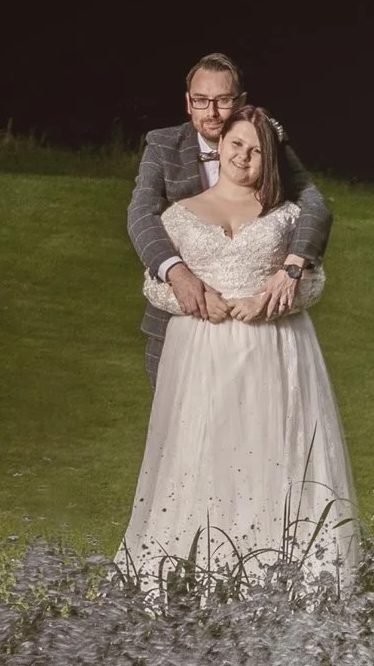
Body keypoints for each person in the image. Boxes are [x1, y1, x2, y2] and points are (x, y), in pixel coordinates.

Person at [119, 104, 359, 584]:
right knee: (201, 450)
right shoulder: (181, 215)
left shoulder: (286, 216)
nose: (243, 157)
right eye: (235, 145)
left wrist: (268, 301)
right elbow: (152, 286)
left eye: (254, 150)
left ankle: (276, 571)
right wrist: (196, 299)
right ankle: (194, 571)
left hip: (270, 349)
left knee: (271, 449)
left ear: (268, 160)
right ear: (219, 147)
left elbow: (313, 284)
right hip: (201, 351)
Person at [127, 53, 332, 384]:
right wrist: (176, 273)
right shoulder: (163, 145)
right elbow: (140, 213)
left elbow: (314, 205)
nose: (211, 112)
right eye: (201, 101)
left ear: (240, 102)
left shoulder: (266, 141)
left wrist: (292, 266)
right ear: (188, 103)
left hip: (259, 331)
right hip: (179, 324)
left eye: (222, 101)